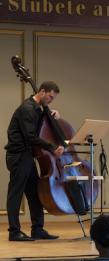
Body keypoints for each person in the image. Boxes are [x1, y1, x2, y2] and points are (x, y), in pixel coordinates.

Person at [5, 81, 64, 241]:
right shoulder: (27, 109)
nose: (51, 101)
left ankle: (37, 229)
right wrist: (52, 148)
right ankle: (14, 231)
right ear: (42, 91)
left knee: (34, 193)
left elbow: (40, 125)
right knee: (15, 194)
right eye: (50, 97)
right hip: (18, 156)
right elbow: (31, 137)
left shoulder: (37, 109)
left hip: (27, 156)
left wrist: (53, 115)